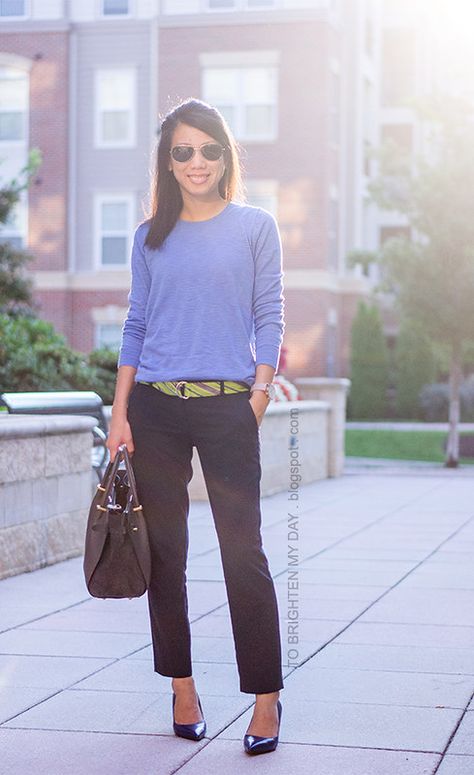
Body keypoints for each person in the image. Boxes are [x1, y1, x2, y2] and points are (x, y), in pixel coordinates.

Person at [107, 97, 285, 756]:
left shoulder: (254, 226)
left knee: (245, 554)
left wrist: (258, 397)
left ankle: (265, 697)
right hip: (154, 408)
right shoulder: (149, 235)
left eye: (207, 149)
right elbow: (135, 324)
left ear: (224, 153)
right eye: (182, 151)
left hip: (227, 405)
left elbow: (269, 312)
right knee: (167, 556)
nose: (196, 162)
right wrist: (120, 412)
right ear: (168, 160)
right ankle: (181, 686)